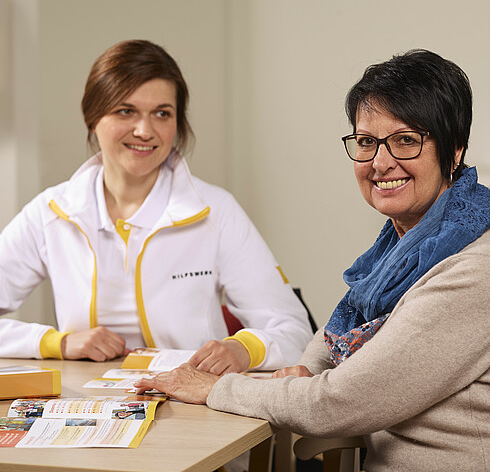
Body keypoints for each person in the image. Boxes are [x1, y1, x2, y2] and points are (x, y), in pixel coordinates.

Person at [135, 50, 490, 470]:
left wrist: (214, 387)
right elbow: (330, 340)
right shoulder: (404, 249)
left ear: (454, 152)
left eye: (406, 140)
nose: (380, 162)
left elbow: (337, 402)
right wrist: (302, 372)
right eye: (365, 142)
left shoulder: (473, 269)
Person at [0, 40, 313, 374]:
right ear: (93, 118)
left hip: (194, 407)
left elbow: (295, 331)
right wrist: (55, 343)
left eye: (162, 113)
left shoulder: (215, 211)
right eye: (126, 111)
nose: (144, 131)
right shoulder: (51, 213)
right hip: (86, 413)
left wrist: (243, 348)